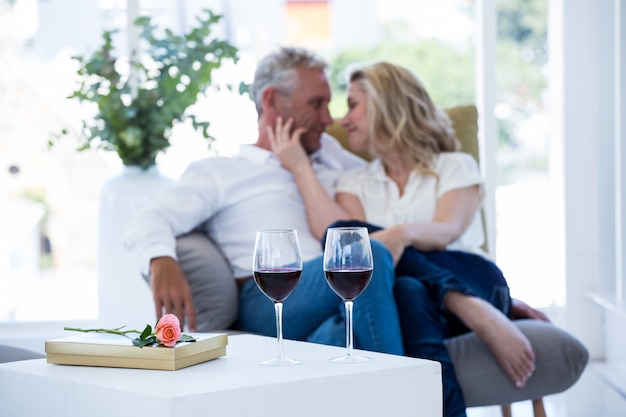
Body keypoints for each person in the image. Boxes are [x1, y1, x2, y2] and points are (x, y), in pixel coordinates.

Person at [269, 61, 543, 416]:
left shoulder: (454, 165)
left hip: (473, 280)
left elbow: (447, 229)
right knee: (400, 283)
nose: (342, 120)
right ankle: (464, 308)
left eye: (353, 105)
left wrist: (401, 234)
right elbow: (336, 242)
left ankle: (466, 301)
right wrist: (300, 167)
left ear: (386, 106)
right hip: (412, 298)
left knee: (384, 260)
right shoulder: (356, 181)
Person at [122, 46, 404, 356]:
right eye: (316, 104)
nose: (328, 118)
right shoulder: (222, 172)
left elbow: (388, 177)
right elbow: (150, 217)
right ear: (271, 100)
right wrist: (161, 259)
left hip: (338, 293)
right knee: (369, 254)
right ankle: (402, 396)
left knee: (345, 329)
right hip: (269, 296)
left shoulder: (330, 154)